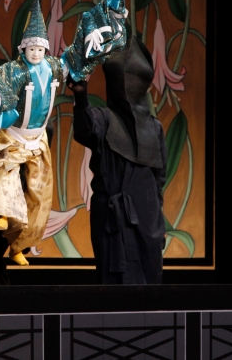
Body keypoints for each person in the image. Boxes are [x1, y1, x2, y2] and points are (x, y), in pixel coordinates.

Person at [0, 0, 128, 265]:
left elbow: (75, 58)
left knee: (40, 198)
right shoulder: (14, 70)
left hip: (38, 139)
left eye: (40, 50)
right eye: (31, 49)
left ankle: (19, 246)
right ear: (23, 49)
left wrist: (99, 27)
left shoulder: (53, 67)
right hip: (13, 137)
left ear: (45, 49)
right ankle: (1, 214)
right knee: (4, 177)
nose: (36, 53)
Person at [67, 36, 167, 284]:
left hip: (147, 220)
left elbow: (159, 179)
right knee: (114, 288)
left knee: (149, 287)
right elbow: (85, 130)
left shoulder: (154, 128)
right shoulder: (103, 119)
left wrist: (158, 219)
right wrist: (81, 95)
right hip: (113, 220)